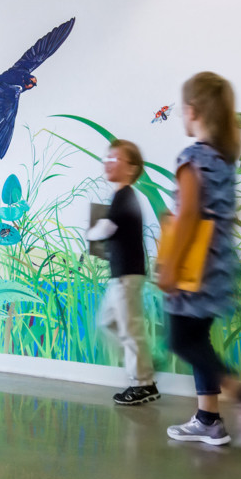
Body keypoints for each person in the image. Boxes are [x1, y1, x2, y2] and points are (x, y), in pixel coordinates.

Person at [157, 72, 241, 447]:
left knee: (181, 341)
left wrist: (171, 266)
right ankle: (208, 420)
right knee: (198, 341)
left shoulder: (192, 157)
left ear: (192, 112)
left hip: (194, 267)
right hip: (220, 263)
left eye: (181, 111)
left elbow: (190, 215)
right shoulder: (224, 159)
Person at [87, 140, 158, 405]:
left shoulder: (125, 196)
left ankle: (143, 383)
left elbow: (105, 230)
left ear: (131, 169)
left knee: (130, 330)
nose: (108, 162)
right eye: (107, 158)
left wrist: (90, 233)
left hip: (128, 275)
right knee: (108, 323)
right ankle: (144, 364)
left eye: (115, 159)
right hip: (121, 275)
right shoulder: (120, 196)